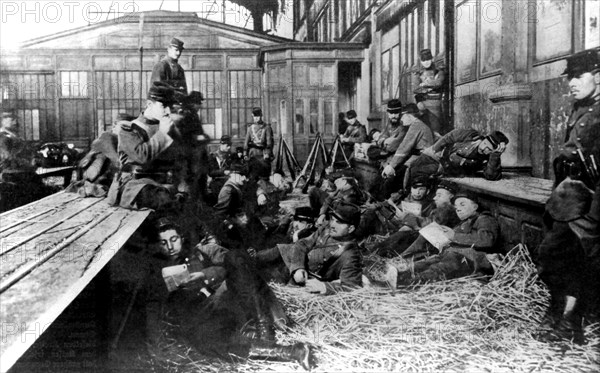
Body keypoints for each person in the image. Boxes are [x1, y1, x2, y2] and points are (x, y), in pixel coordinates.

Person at [143, 218, 315, 370]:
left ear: (181, 238)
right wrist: (157, 345)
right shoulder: (156, 273)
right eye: (163, 242)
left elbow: (236, 266)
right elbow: (153, 307)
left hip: (226, 299)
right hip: (202, 317)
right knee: (203, 341)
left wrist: (206, 275)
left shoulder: (203, 252)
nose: (170, 246)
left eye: (173, 239)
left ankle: (265, 330)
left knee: (235, 257)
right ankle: (293, 352)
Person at [536, 48, 600, 345]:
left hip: (593, 196)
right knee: (552, 254)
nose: (571, 82)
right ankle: (557, 309)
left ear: (597, 76)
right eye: (570, 77)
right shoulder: (578, 107)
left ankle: (572, 320)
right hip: (569, 193)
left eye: (578, 76)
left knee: (582, 255)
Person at [388, 190, 500, 287]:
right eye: (456, 207)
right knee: (425, 263)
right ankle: (396, 274)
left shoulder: (485, 219)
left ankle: (406, 282)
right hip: (451, 253)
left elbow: (487, 240)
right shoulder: (466, 221)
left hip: (467, 258)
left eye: (463, 204)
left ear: (475, 207)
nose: (458, 209)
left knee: (438, 269)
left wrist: (454, 236)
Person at [253, 201, 363, 294]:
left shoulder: (351, 255)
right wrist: (298, 268)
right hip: (290, 258)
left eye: (339, 222)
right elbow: (302, 244)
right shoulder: (326, 229)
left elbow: (351, 286)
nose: (332, 224)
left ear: (351, 228)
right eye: (332, 219)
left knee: (258, 286)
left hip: (300, 279)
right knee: (251, 262)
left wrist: (324, 287)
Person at [107, 82, 184, 210]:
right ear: (149, 104)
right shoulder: (128, 129)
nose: (168, 111)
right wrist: (163, 134)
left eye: (170, 106)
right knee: (161, 199)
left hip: (164, 183)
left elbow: (180, 162)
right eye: (163, 105)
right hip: (136, 185)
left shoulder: (170, 129)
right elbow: (140, 156)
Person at [410, 128, 509, 183]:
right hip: (439, 155)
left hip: (446, 170)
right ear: (483, 139)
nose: (483, 148)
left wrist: (495, 156)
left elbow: (491, 176)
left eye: (489, 149)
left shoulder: (488, 159)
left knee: (418, 174)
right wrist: (435, 148)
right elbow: (451, 136)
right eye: (484, 144)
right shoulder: (471, 135)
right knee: (413, 166)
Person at [379, 103, 434, 198]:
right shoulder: (418, 124)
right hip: (420, 158)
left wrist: (391, 166)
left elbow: (404, 148)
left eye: (402, 116)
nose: (401, 119)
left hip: (422, 159)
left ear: (409, 115)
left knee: (392, 180)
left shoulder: (416, 126)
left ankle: (387, 201)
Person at [0, 110, 50, 211]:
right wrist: (28, 163)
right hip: (13, 172)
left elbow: (22, 151)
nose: (15, 122)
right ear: (3, 121)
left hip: (21, 171)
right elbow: (7, 156)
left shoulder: (12, 135)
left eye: (15, 120)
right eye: (11, 119)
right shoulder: (3, 137)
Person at [414, 48, 445, 121]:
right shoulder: (418, 73)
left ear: (432, 58)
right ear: (421, 61)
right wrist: (430, 87)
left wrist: (425, 84)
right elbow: (415, 88)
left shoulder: (438, 71)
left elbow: (439, 82)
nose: (426, 62)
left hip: (435, 103)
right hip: (422, 104)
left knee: (435, 126)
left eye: (428, 59)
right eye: (423, 60)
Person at [206, 135, 233, 205]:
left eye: (230, 146)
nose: (229, 147)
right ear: (222, 144)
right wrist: (223, 172)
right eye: (227, 145)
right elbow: (211, 172)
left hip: (229, 180)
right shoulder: (213, 156)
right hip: (217, 181)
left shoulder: (230, 156)